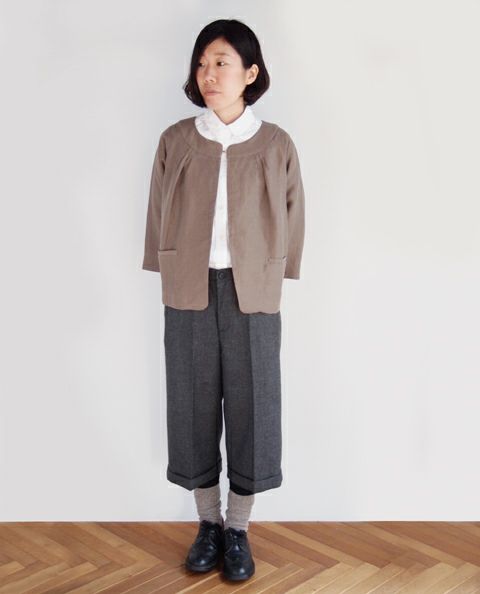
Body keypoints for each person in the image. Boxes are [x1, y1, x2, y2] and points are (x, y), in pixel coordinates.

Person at [142, 18, 305, 582]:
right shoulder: (176, 140)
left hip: (252, 291)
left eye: (221, 63)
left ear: (250, 73)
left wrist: (280, 272)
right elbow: (157, 208)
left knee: (254, 406)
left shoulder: (276, 143)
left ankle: (238, 529)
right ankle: (207, 523)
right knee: (190, 404)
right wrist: (163, 265)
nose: (208, 74)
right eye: (202, 63)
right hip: (188, 287)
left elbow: (294, 214)